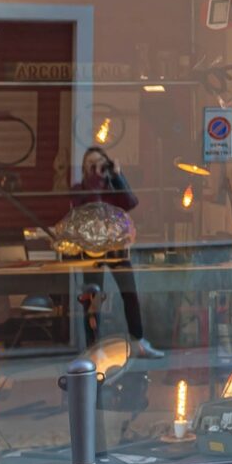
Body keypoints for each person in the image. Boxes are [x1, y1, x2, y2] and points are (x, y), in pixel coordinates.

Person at [72, 148, 162, 360]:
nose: (97, 168)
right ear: (84, 168)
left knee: (130, 294)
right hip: (92, 251)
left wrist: (118, 176)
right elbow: (93, 205)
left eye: (100, 163)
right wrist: (95, 179)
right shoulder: (79, 189)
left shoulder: (112, 188)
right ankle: (93, 348)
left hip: (116, 249)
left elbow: (130, 203)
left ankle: (138, 342)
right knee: (92, 299)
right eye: (91, 164)